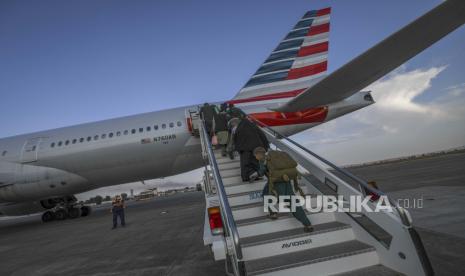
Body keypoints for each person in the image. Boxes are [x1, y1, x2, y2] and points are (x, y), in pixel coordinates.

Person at [253, 147, 313, 232]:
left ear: (258, 154)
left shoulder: (263, 159)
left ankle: (273, 213)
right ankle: (308, 224)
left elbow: (262, 172)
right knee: (293, 202)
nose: (255, 157)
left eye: (255, 155)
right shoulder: (275, 156)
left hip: (276, 183)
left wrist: (255, 175)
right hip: (286, 181)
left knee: (268, 196)